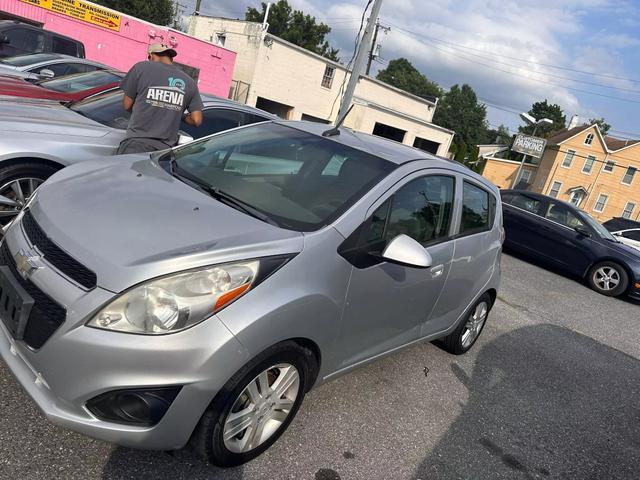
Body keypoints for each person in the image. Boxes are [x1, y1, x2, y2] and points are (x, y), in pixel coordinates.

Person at [116, 43, 203, 154]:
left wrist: (147, 107)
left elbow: (127, 105)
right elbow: (197, 120)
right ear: (171, 58)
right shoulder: (189, 82)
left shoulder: (141, 68)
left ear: (152, 56)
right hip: (163, 153)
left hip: (136, 143)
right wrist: (178, 114)